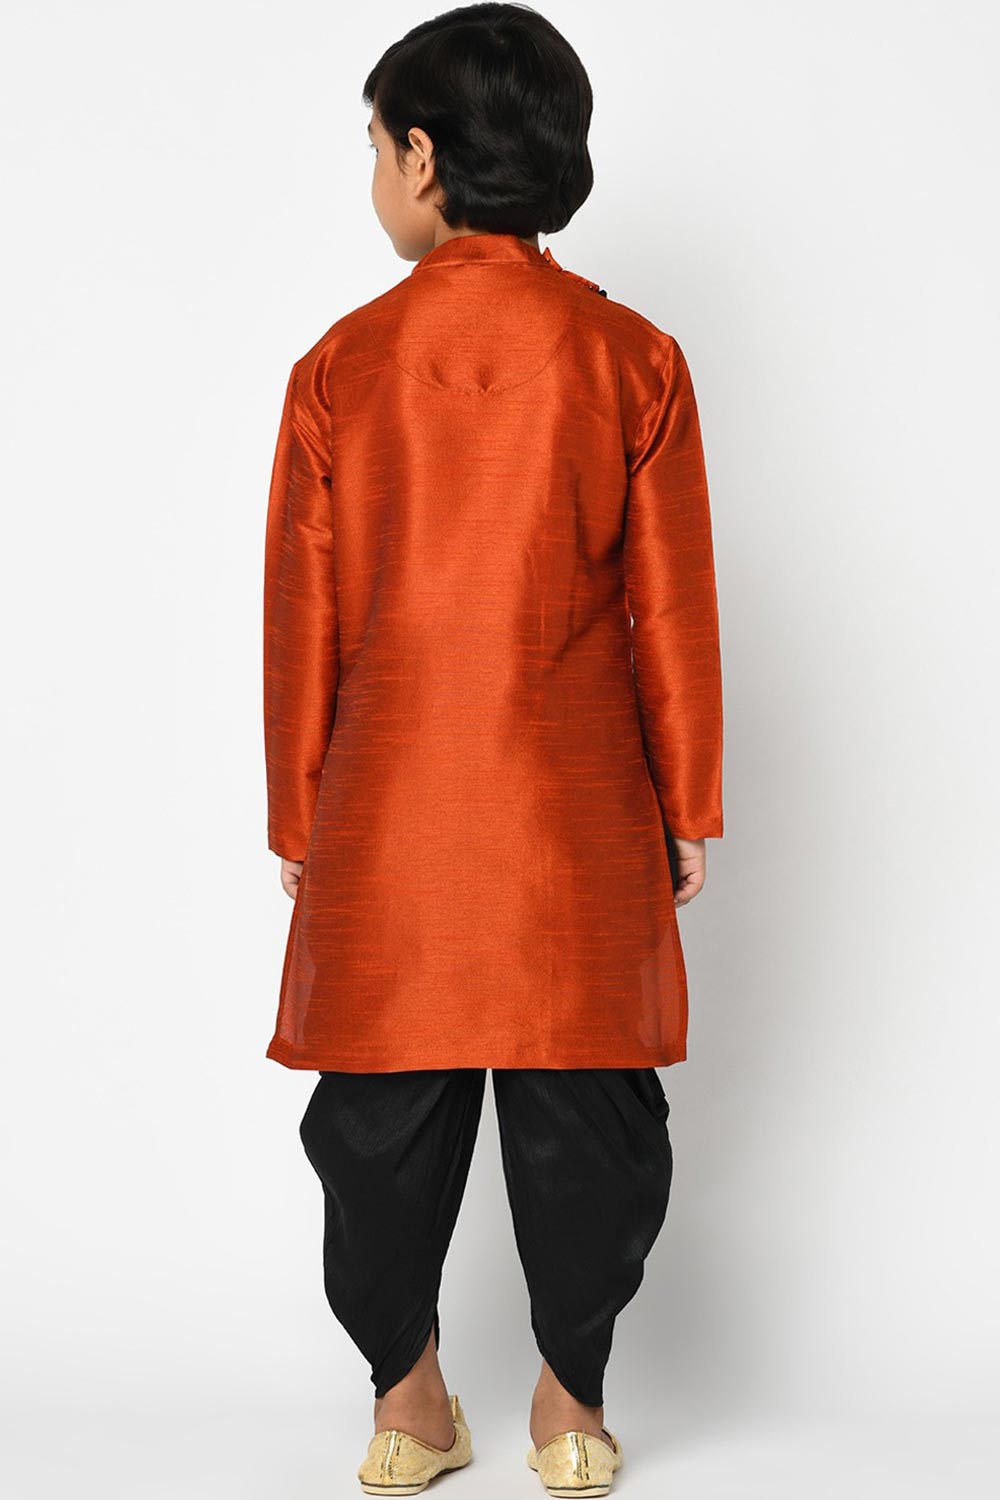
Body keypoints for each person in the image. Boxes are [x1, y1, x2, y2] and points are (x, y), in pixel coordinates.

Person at [262, 5, 724, 1495]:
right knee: (593, 1115)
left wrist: (298, 819)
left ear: (422, 155)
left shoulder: (340, 367)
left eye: (374, 145)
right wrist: (688, 800)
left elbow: (303, 618)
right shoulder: (633, 358)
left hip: (385, 806)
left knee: (374, 1124)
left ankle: (409, 1404)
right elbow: (670, 604)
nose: (375, 174)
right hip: (579, 808)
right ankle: (568, 1407)